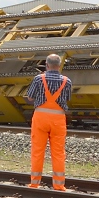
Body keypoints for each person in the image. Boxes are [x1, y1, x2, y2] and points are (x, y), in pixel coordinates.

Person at [27, 54, 72, 190]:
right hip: (58, 120)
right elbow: (67, 98)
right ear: (59, 66)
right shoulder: (67, 81)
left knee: (37, 151)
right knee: (58, 152)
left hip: (40, 118)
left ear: (46, 65)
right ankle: (59, 185)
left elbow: (30, 97)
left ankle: (35, 183)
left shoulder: (38, 79)